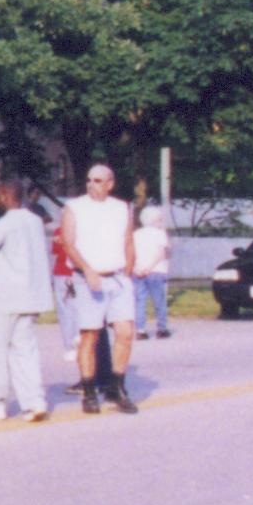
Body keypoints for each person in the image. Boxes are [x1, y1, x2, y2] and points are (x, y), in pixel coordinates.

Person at [59, 163, 141, 414]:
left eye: (97, 181)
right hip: (88, 280)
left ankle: (117, 386)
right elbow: (68, 244)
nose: (91, 185)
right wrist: (88, 270)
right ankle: (89, 389)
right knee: (90, 336)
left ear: (110, 184)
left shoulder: (122, 208)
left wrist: (127, 272)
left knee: (125, 333)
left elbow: (128, 242)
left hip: (117, 279)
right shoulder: (75, 208)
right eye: (89, 180)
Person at [0, 177, 56, 424]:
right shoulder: (33, 220)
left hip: (4, 297)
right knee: (24, 350)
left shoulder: (7, 223)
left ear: (6, 195)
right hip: (30, 295)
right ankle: (34, 402)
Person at [132, 201, 174, 340]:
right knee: (159, 300)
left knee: (140, 301)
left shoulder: (136, 234)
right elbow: (162, 254)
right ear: (154, 220)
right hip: (156, 270)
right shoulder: (160, 234)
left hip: (138, 271)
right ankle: (162, 328)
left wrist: (138, 268)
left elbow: (132, 253)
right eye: (159, 219)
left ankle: (141, 330)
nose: (161, 222)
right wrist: (149, 267)